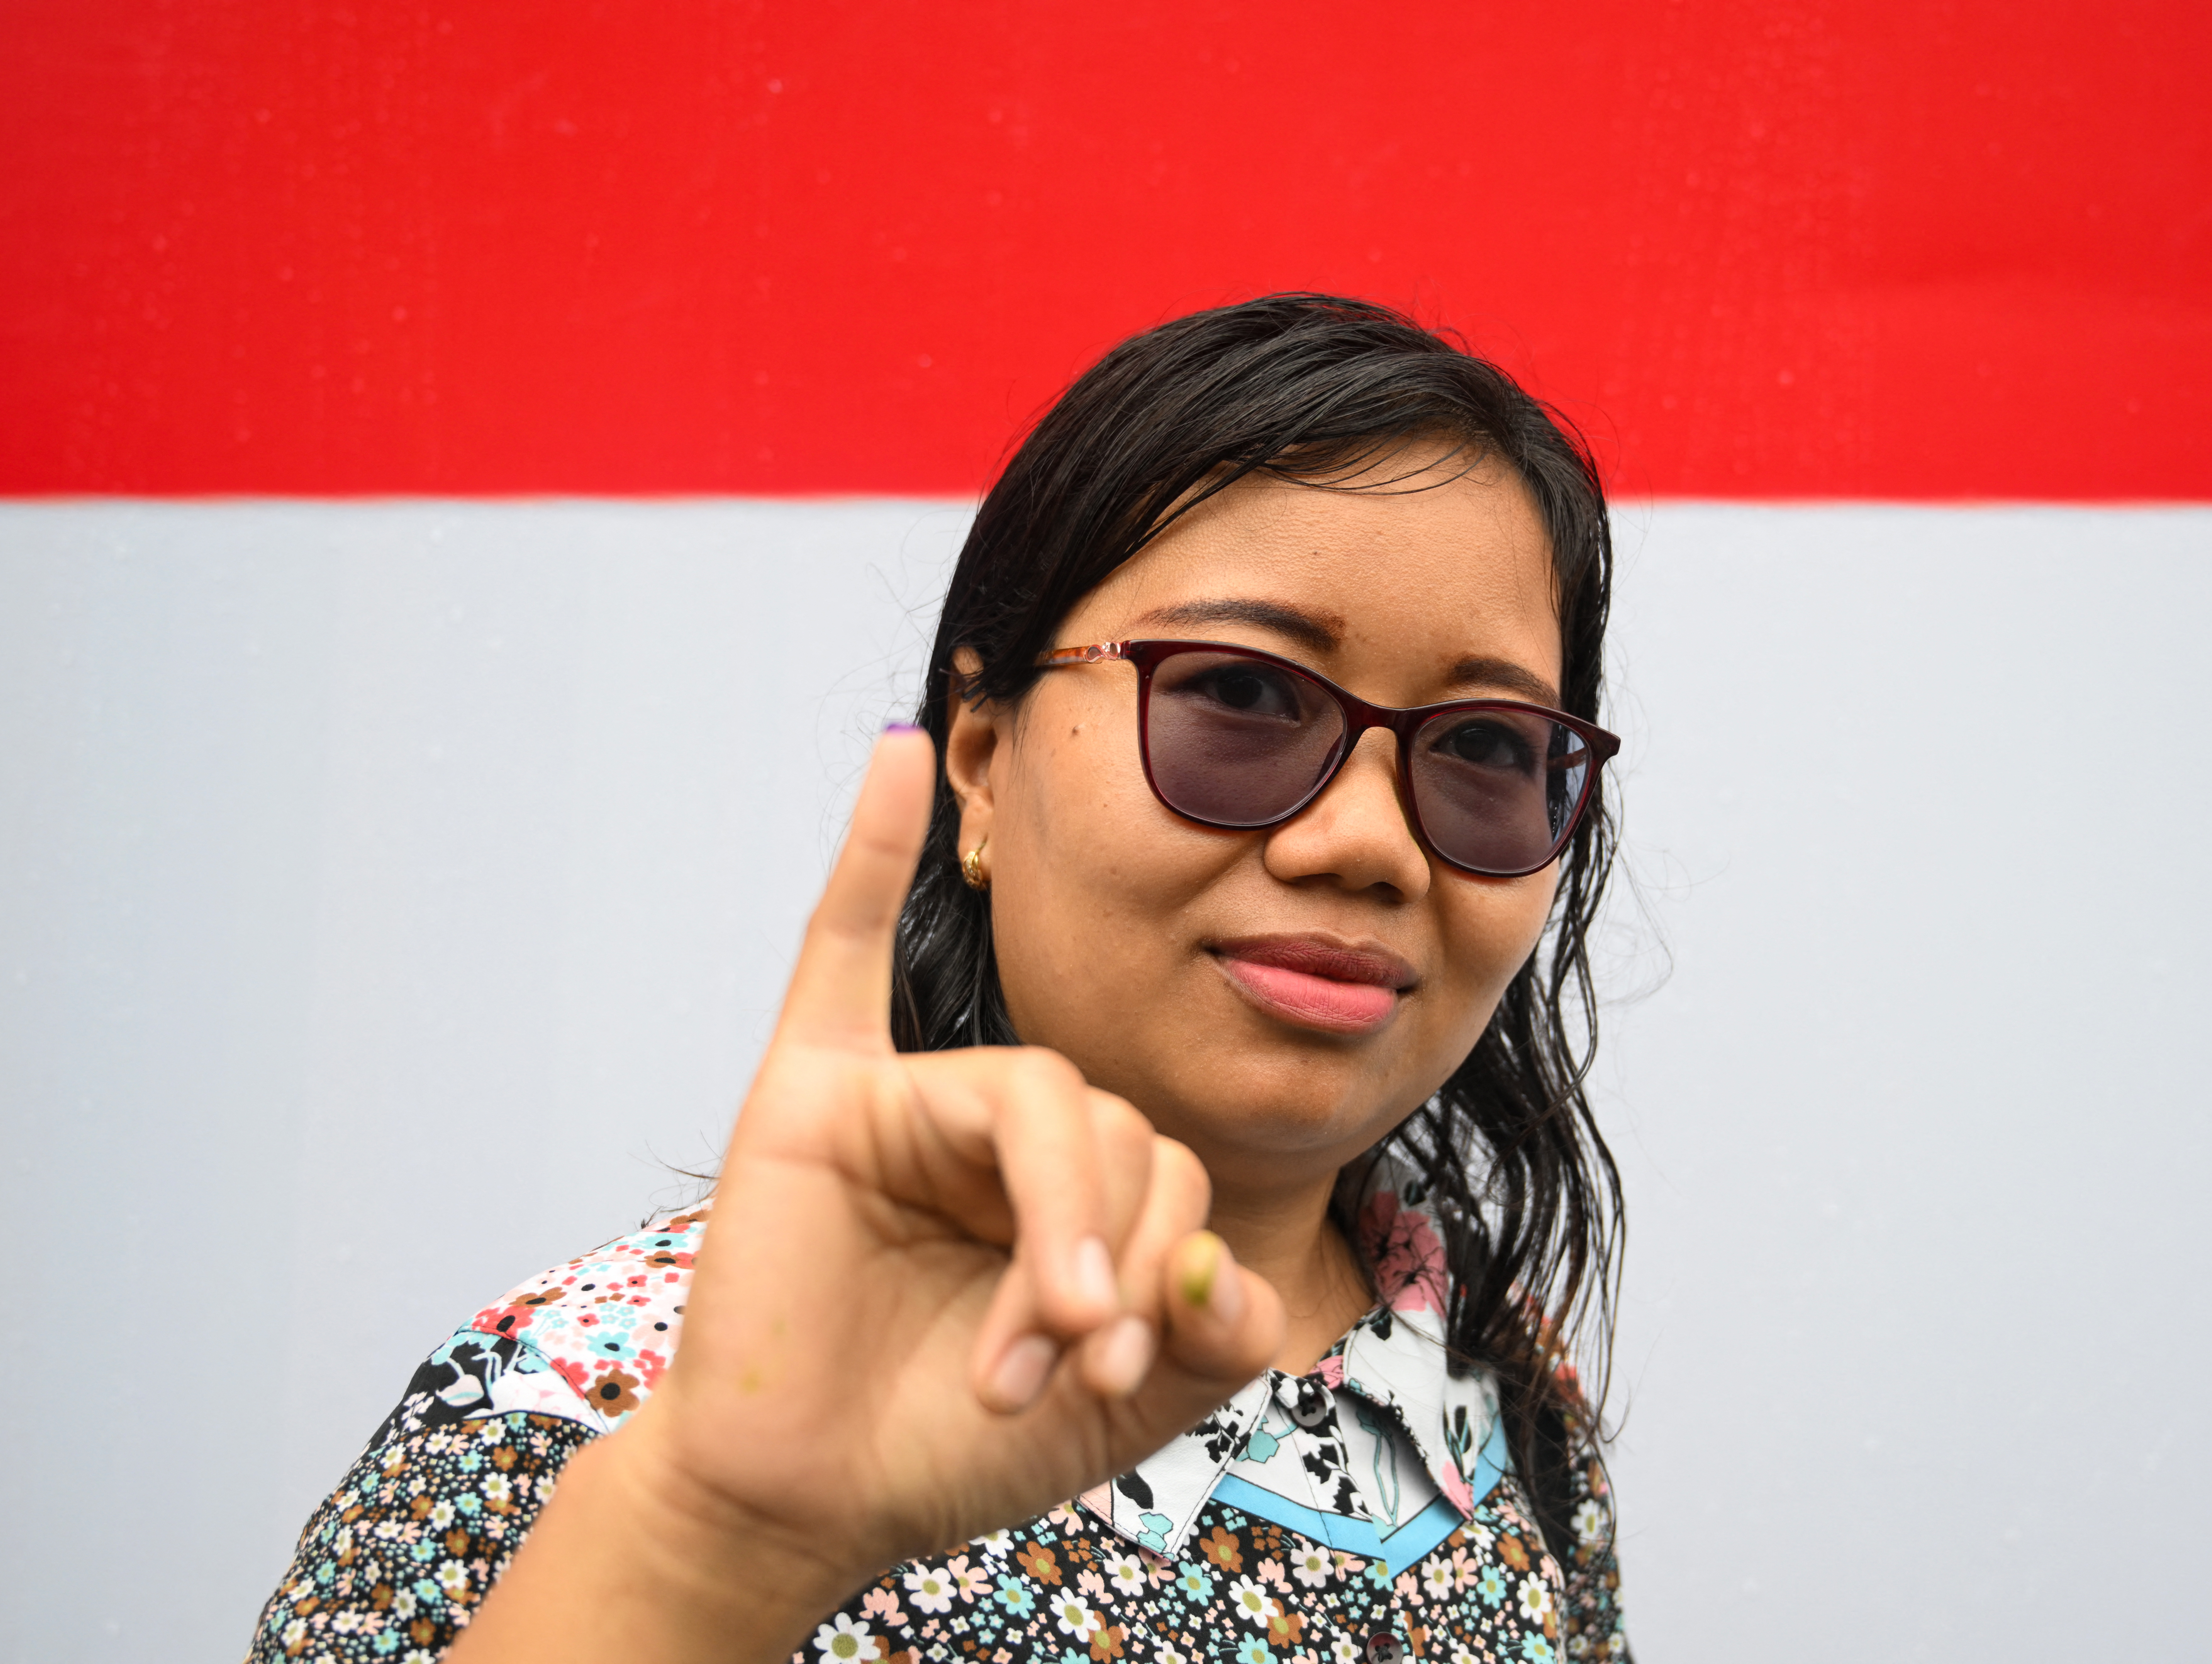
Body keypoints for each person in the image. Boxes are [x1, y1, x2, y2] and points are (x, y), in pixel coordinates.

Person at [247, 293, 1634, 1664]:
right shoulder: (591, 1411)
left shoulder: (1493, 1386)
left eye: (1489, 750)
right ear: (978, 755)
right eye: (1248, 694)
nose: (1371, 843)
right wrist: (702, 1541)